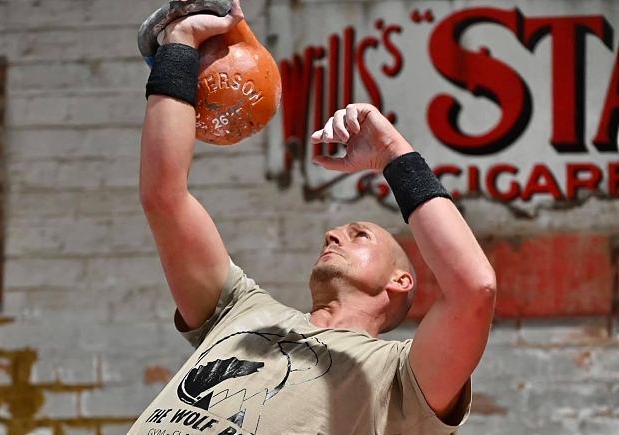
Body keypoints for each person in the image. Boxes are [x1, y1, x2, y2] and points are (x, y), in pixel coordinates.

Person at [129, 1, 496, 434]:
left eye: (359, 235)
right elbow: (164, 196)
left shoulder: (399, 380)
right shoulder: (239, 310)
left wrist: (393, 154)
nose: (333, 233)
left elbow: (475, 288)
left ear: (400, 281)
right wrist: (180, 47)